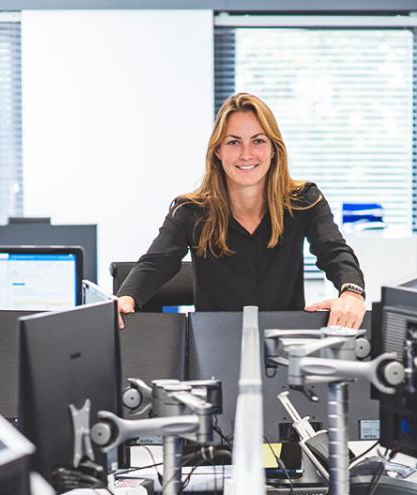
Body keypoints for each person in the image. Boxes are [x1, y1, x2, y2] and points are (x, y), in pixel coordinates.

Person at [117, 92, 366, 329]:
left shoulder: (304, 201)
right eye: (234, 142)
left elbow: (334, 252)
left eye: (258, 141)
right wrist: (127, 298)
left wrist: (351, 292)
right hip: (213, 349)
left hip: (284, 347)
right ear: (218, 151)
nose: (246, 154)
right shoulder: (191, 211)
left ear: (273, 149)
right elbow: (155, 263)